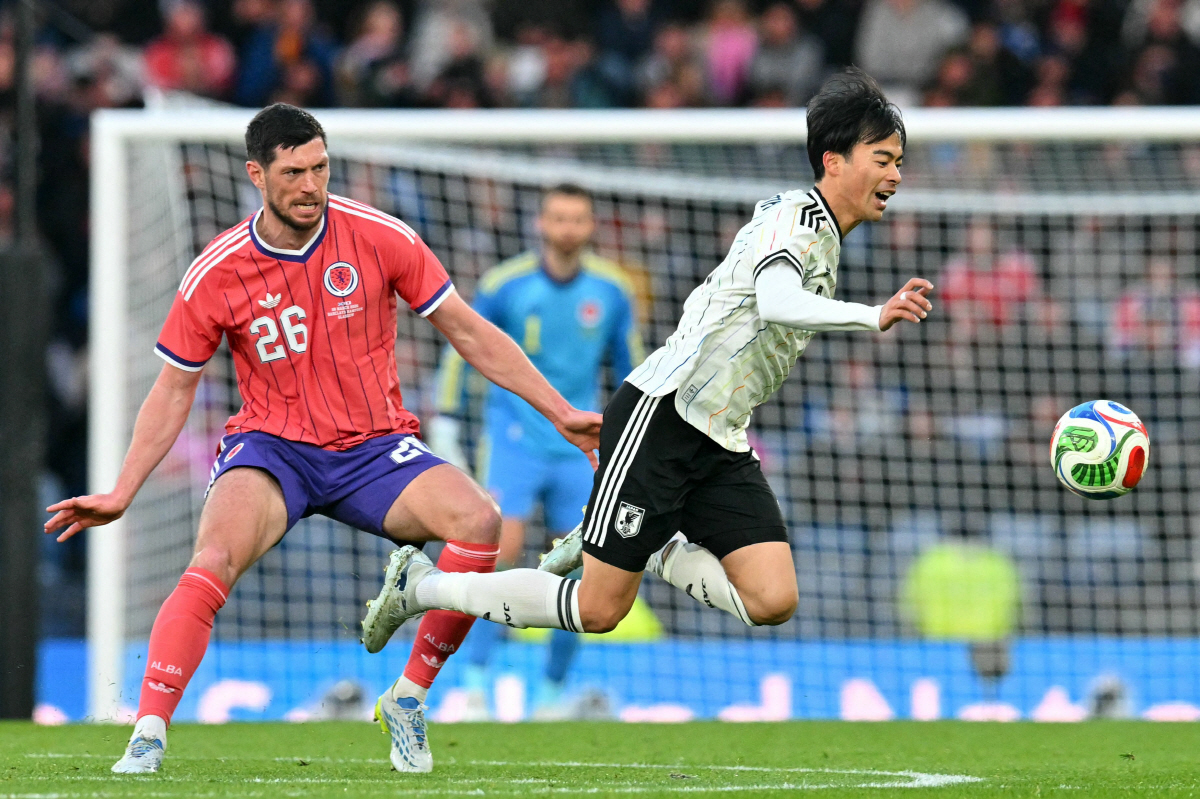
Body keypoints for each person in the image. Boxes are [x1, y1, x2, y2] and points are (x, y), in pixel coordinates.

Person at [43, 103, 600, 775]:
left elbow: (468, 328)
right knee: (212, 557)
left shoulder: (378, 235)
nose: (311, 185)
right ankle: (149, 731)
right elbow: (173, 389)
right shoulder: (217, 269)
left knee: (478, 521)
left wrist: (559, 411)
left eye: (320, 168)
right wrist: (123, 489)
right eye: (294, 172)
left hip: (375, 448)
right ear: (257, 174)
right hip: (274, 450)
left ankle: (408, 697)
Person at [359, 70, 933, 671]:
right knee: (601, 610)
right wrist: (874, 315)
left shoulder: (825, 235)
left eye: (899, 161)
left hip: (718, 436)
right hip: (663, 418)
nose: (895, 174)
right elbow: (776, 299)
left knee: (773, 598)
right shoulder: (798, 222)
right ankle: (422, 589)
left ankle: (655, 544)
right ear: (833, 161)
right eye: (883, 158)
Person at [430, 184, 643, 720]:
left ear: (591, 226)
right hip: (513, 441)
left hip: (583, 449)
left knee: (583, 567)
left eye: (578, 218)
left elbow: (631, 369)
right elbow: (463, 347)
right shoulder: (505, 285)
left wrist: (641, 430)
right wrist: (447, 416)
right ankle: (475, 687)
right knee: (497, 556)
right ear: (541, 225)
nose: (567, 227)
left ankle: (551, 695)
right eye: (558, 217)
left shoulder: (613, 291)